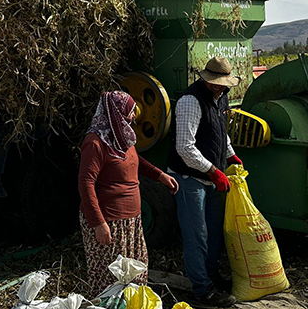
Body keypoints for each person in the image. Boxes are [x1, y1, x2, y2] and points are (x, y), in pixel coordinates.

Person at [78, 91, 180, 295]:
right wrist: (98, 223)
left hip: (131, 222)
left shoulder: (120, 137)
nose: (134, 116)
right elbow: (85, 183)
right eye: (131, 111)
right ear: (116, 113)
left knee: (135, 273)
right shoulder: (95, 143)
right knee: (111, 279)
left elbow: (135, 160)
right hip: (110, 222)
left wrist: (160, 175)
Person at [167, 56, 243, 307]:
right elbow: (184, 147)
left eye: (224, 83)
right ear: (205, 78)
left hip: (210, 177)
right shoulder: (191, 100)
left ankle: (211, 275)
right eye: (216, 83)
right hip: (189, 178)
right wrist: (214, 171)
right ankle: (201, 289)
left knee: (214, 230)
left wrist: (230, 154)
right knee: (196, 234)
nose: (220, 87)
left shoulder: (221, 97)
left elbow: (219, 131)